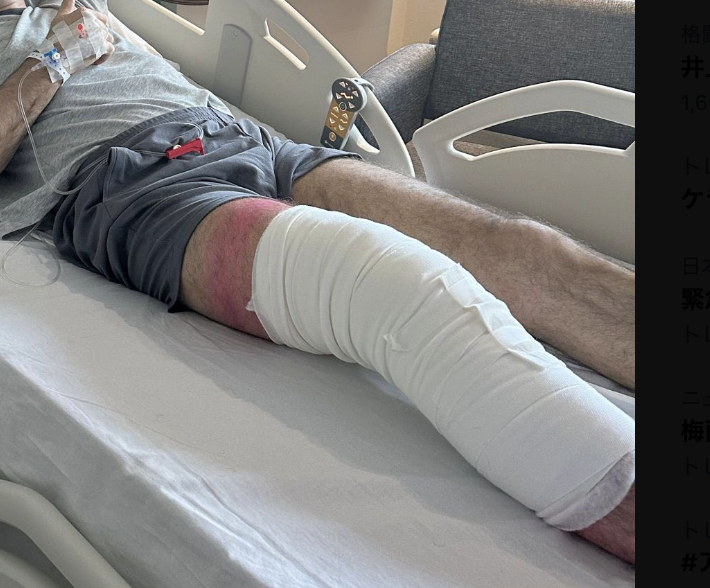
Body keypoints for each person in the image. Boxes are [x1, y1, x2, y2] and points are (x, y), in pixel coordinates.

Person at [0, 0, 635, 565]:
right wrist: (55, 59)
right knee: (399, 296)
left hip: (242, 136)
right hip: (131, 185)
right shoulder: (51, 42)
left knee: (525, 251)